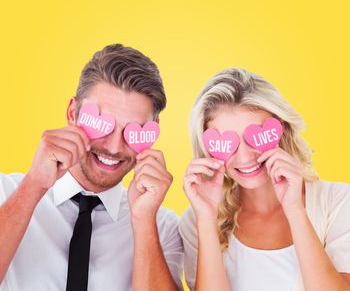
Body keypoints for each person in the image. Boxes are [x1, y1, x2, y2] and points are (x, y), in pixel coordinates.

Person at [0, 44, 184, 291]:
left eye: (131, 131)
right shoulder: (5, 193)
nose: (115, 147)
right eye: (104, 125)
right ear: (72, 112)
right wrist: (33, 186)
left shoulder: (162, 226)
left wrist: (142, 221)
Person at [180, 68, 350, 291]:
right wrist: (206, 219)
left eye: (254, 137)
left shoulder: (338, 201)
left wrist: (295, 209)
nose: (244, 157)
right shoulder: (197, 219)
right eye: (228, 143)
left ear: (282, 131)